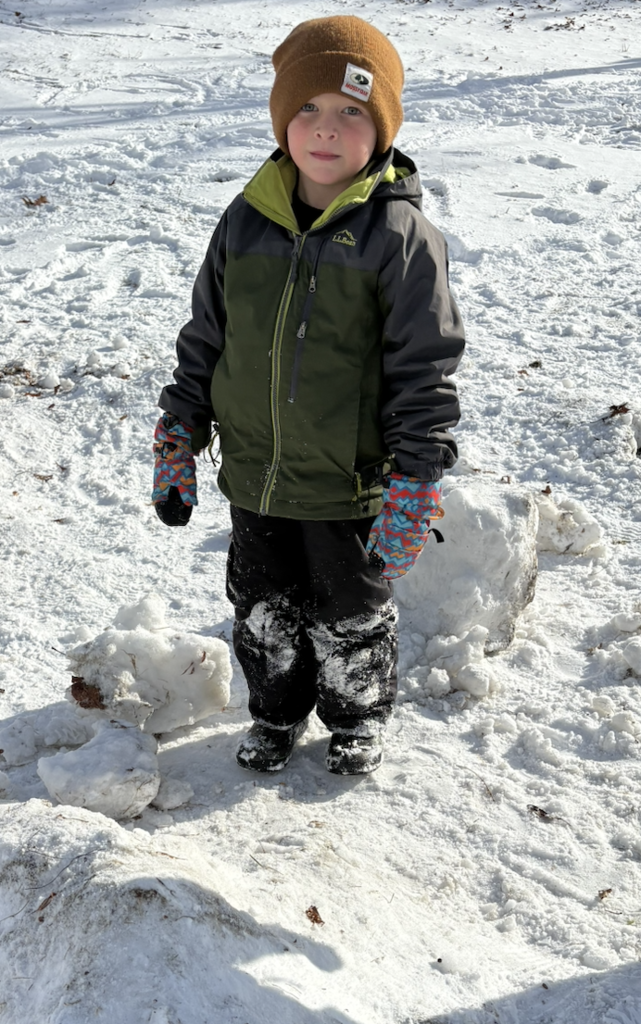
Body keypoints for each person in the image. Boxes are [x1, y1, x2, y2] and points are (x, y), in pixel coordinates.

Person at [152, 16, 465, 776]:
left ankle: (356, 717)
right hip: (255, 472)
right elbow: (207, 335)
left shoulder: (399, 235)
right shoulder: (244, 220)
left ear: (381, 127)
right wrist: (179, 429)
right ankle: (275, 712)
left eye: (351, 111)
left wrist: (416, 477)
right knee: (262, 608)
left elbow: (424, 365)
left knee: (350, 612)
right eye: (307, 108)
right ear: (281, 120)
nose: (326, 129)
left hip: (348, 479)